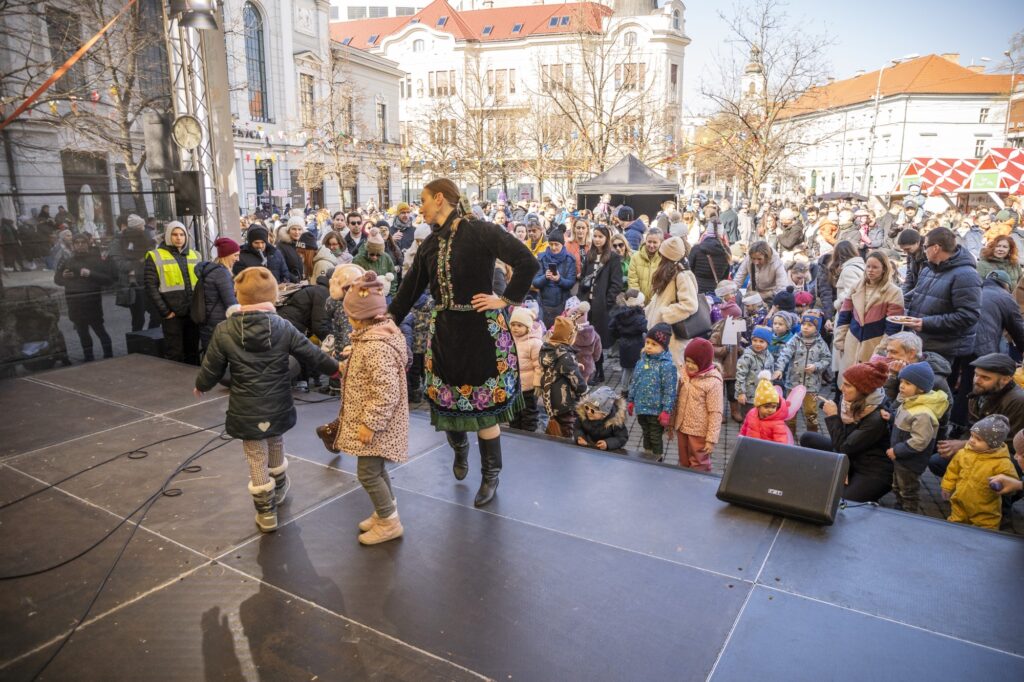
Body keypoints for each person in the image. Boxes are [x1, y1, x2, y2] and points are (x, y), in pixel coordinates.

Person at [389, 178, 539, 508]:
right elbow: (407, 293)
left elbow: (527, 261)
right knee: (446, 402)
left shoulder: (480, 231)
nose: (421, 207)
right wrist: (384, 326)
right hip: (445, 334)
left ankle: (491, 475)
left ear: (440, 199)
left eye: (424, 200)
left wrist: (507, 299)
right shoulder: (429, 244)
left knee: (485, 412)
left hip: (481, 334)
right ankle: (459, 448)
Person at [195, 266, 339, 532]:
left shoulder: (225, 330)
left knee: (254, 454)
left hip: (245, 407)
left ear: (239, 295)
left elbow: (211, 367)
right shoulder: (283, 327)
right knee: (275, 440)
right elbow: (311, 354)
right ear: (272, 296)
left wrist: (201, 385)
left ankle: (266, 512)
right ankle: (281, 486)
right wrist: (335, 369)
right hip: (278, 403)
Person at [330, 272, 410, 545]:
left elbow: (386, 391)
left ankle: (389, 522)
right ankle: (384, 512)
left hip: (378, 425)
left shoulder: (375, 346)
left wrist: (370, 423)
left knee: (367, 473)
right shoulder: (377, 337)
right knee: (376, 470)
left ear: (359, 317)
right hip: (380, 423)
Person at [902, 227, 982, 427]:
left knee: (935, 401)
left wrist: (925, 323)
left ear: (936, 248)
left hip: (945, 350)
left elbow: (968, 315)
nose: (923, 250)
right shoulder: (929, 268)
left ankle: (933, 442)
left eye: (926, 246)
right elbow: (918, 294)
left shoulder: (966, 275)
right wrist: (898, 304)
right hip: (924, 344)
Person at [811, 361, 894, 503]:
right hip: (854, 456)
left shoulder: (876, 417)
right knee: (808, 438)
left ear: (863, 389)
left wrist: (832, 416)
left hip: (872, 469)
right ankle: (835, 472)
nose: (842, 388)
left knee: (842, 502)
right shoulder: (852, 402)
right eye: (844, 383)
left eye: (848, 385)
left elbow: (843, 447)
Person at [930, 353, 1024, 477]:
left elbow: (1012, 443)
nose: (977, 381)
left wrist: (965, 445)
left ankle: (1004, 493)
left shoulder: (1018, 400)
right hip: (979, 445)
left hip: (1006, 455)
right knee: (937, 460)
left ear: (1005, 379)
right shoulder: (980, 392)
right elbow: (973, 427)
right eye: (976, 374)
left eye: (985, 378)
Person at [885, 361, 948, 514]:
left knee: (908, 490)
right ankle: (900, 507)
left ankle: (908, 514)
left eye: (907, 383)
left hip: (910, 460)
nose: (901, 386)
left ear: (920, 388)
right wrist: (892, 417)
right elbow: (903, 420)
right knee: (897, 485)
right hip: (901, 458)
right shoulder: (909, 402)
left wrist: (898, 451)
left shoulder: (923, 413)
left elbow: (920, 440)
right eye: (901, 381)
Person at [833, 250, 904, 381]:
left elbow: (893, 327)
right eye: (868, 266)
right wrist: (840, 339)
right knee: (848, 383)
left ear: (884, 269)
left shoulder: (894, 292)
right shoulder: (856, 286)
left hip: (874, 343)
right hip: (852, 341)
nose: (870, 270)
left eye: (875, 267)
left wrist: (881, 350)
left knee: (868, 384)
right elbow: (844, 315)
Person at [941, 415, 1019, 529]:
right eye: (972, 436)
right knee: (954, 527)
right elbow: (952, 471)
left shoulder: (1002, 462)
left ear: (993, 444)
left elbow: (1011, 483)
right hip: (960, 503)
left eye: (978, 439)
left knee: (985, 532)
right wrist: (947, 487)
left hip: (985, 510)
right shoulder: (963, 453)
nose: (972, 440)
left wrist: (1001, 485)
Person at [145, 221, 201, 364]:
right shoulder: (155, 255)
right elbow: (150, 287)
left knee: (193, 352)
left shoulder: (196, 255)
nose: (179, 238)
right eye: (175, 234)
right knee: (174, 353)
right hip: (172, 314)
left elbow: (202, 284)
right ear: (168, 236)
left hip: (192, 313)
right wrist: (165, 312)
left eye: (182, 234)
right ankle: (174, 385)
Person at [54, 234, 114, 362]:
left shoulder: (97, 259)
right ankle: (88, 357)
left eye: (83, 242)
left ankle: (109, 356)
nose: (80, 245)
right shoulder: (68, 261)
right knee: (82, 333)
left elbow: (108, 280)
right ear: (73, 245)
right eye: (77, 243)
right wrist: (63, 276)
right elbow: (56, 280)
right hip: (74, 303)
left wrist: (90, 274)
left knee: (99, 330)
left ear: (88, 244)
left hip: (91, 302)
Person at [669, 338, 722, 471]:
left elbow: (715, 412)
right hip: (682, 426)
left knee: (699, 463)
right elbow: (677, 399)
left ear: (704, 362)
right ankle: (685, 483)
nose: (689, 365)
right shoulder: (684, 373)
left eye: (694, 363)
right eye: (687, 361)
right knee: (684, 459)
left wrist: (711, 439)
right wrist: (671, 423)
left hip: (699, 431)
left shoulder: (713, 382)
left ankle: (698, 485)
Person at [645, 235, 700, 361]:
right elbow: (661, 299)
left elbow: (690, 304)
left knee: (672, 372)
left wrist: (665, 314)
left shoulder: (681, 275)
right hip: (660, 332)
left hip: (672, 335)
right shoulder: (668, 272)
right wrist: (648, 311)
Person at [775, 310, 831, 433]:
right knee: (790, 409)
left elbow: (827, 359)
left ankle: (812, 434)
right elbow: (784, 354)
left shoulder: (821, 343)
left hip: (812, 385)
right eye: (803, 324)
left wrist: (816, 366)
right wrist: (779, 369)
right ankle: (789, 432)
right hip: (793, 382)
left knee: (811, 411)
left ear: (817, 328)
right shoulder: (795, 340)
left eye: (810, 325)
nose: (805, 327)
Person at [627, 323, 677, 461]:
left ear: (663, 347)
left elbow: (669, 390)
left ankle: (657, 459)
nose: (648, 346)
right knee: (646, 434)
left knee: (655, 437)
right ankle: (647, 457)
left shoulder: (666, 366)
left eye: (654, 344)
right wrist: (631, 400)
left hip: (656, 411)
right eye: (647, 342)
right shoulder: (641, 362)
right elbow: (634, 381)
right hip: (642, 408)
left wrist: (666, 410)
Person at [579, 225, 622, 373]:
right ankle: (592, 369)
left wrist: (607, 301)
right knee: (586, 337)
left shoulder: (613, 258)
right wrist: (581, 299)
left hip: (601, 306)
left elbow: (616, 283)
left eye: (600, 237)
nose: (597, 240)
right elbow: (583, 278)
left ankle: (599, 371)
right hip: (587, 303)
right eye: (595, 236)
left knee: (598, 338)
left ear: (606, 238)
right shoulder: (589, 256)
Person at [538, 316, 587, 438]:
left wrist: (573, 364)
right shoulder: (565, 356)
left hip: (550, 398)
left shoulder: (546, 349)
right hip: (564, 401)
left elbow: (555, 366)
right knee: (567, 429)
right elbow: (576, 380)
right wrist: (585, 391)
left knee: (557, 426)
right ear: (569, 336)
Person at [111, 214, 156, 332]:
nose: (143, 230)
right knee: (138, 319)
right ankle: (138, 345)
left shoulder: (142, 238)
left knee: (157, 314)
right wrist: (140, 260)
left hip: (147, 281)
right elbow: (120, 265)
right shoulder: (118, 241)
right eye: (140, 228)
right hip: (133, 285)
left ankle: (150, 340)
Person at [195, 237, 240, 352]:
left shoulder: (212, 270)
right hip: (217, 323)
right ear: (227, 255)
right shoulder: (222, 273)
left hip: (208, 322)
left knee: (210, 358)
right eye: (235, 255)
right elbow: (231, 304)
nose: (237, 259)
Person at [975, 271, 1024, 359]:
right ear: (1006, 285)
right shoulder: (1005, 297)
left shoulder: (973, 291)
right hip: (984, 348)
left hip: (959, 345)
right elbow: (1018, 329)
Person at [508, 306, 542, 432]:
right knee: (514, 412)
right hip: (512, 385)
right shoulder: (510, 340)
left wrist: (538, 383)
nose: (515, 328)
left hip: (528, 387)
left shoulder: (535, 343)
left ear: (527, 327)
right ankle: (514, 433)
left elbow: (539, 365)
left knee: (529, 413)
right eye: (513, 324)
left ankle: (528, 436)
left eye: (519, 325)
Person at [739, 371, 796, 444]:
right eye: (766, 407)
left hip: (768, 454)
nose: (770, 410)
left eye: (773, 407)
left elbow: (781, 444)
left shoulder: (777, 423)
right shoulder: (751, 414)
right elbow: (744, 429)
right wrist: (740, 441)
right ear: (758, 406)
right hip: (750, 449)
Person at [609, 289, 647, 391]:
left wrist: (619, 336)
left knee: (626, 369)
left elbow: (612, 329)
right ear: (636, 303)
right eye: (642, 302)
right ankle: (635, 390)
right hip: (637, 345)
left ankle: (624, 389)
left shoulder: (619, 315)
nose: (643, 304)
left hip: (624, 344)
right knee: (636, 369)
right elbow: (646, 328)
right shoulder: (639, 317)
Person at [574, 386, 629, 452]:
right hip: (588, 446)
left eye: (593, 411)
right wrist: (580, 437)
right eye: (587, 407)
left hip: (607, 452)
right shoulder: (583, 415)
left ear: (604, 414)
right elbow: (577, 428)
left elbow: (622, 438)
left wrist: (607, 443)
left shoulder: (615, 421)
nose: (588, 412)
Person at [736, 326, 775, 410]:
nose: (757, 343)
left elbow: (771, 374)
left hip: (763, 395)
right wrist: (741, 393)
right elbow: (740, 376)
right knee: (748, 417)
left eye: (761, 341)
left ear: (767, 343)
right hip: (748, 396)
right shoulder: (747, 357)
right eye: (755, 340)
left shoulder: (769, 356)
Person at [353, 228, 398, 296]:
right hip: (365, 295)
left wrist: (391, 294)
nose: (375, 257)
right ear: (367, 250)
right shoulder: (358, 260)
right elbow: (354, 280)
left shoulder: (386, 258)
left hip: (385, 294)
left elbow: (393, 277)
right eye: (372, 254)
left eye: (378, 255)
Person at [567, 301, 602, 385]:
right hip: (587, 363)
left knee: (572, 384)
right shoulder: (594, 334)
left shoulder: (569, 333)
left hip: (572, 364)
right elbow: (598, 350)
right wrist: (595, 359)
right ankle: (582, 396)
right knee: (584, 384)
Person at [688, 229, 732, 295]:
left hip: (697, 289)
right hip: (716, 291)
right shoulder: (726, 251)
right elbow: (725, 275)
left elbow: (689, 269)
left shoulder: (696, 249)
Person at [827, 240, 864, 315]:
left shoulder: (849, 270)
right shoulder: (862, 266)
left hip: (850, 314)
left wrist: (836, 304)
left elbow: (850, 292)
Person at [626, 228, 663, 302]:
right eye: (649, 242)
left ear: (661, 242)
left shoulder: (664, 259)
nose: (651, 245)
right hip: (639, 301)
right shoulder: (635, 257)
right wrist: (638, 299)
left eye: (655, 242)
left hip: (656, 302)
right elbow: (632, 280)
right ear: (645, 240)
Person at [897, 229, 926, 295]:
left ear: (917, 243)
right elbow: (909, 278)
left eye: (907, 249)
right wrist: (902, 295)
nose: (905, 252)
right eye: (903, 249)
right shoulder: (910, 255)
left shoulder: (928, 255)